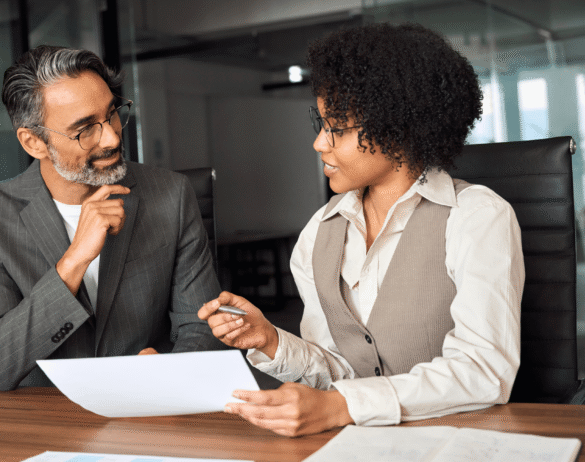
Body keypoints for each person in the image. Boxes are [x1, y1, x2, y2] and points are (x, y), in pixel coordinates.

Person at [199, 23, 524, 436]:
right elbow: (340, 370)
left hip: (460, 442)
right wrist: (270, 341)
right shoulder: (320, 232)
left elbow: (483, 371)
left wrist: (343, 405)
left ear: (398, 129)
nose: (320, 143)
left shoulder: (477, 217)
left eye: (338, 128)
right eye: (321, 124)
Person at [0, 46, 223, 391]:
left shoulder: (171, 194)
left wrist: (168, 375)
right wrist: (73, 262)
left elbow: (201, 326)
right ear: (33, 142)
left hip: (151, 408)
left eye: (112, 114)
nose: (113, 137)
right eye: (85, 129)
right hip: (45, 421)